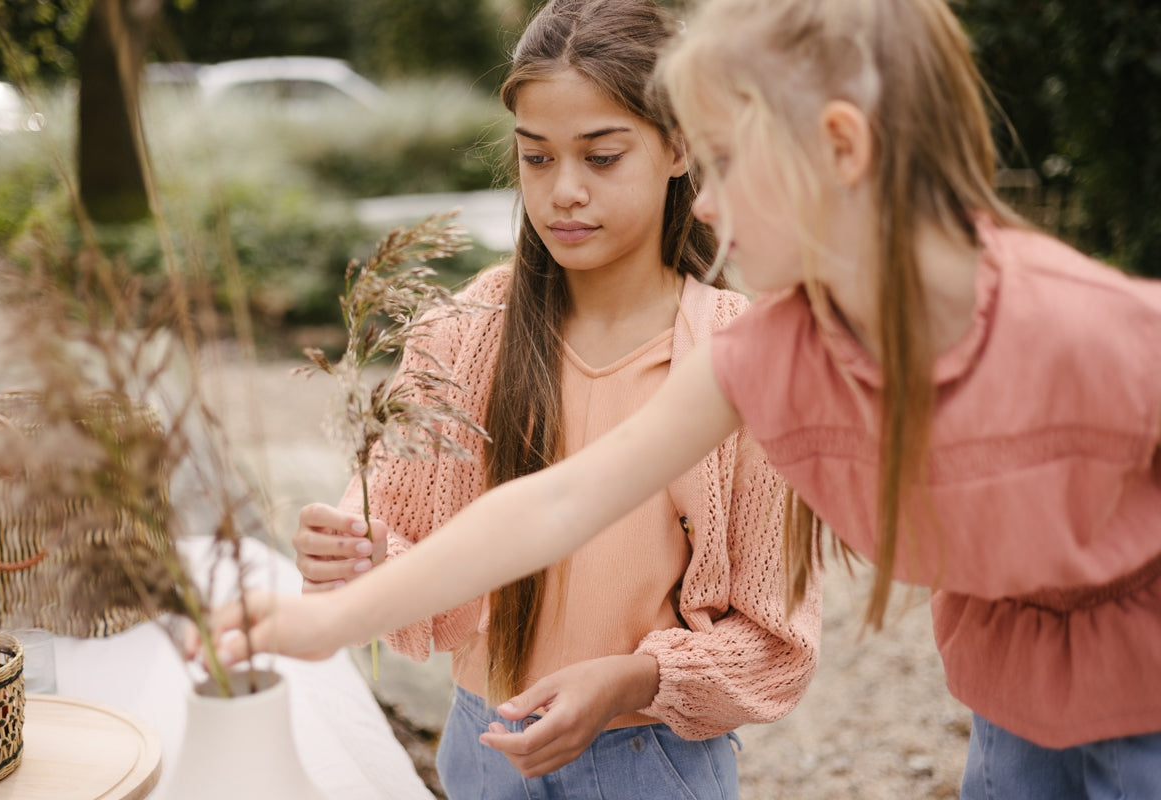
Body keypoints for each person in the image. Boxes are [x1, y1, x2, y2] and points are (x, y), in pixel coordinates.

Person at [208, 0, 1161, 796]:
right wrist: (326, 621)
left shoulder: (1094, 331)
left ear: (838, 148)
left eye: (727, 161)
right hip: (1015, 705)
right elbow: (562, 498)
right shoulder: (781, 349)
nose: (703, 202)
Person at [285, 1, 819, 797]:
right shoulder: (461, 332)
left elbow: (777, 642)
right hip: (482, 745)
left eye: (602, 157)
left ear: (678, 148)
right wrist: (352, 558)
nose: (564, 190)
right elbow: (392, 533)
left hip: (652, 760)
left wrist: (631, 679)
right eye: (537, 159)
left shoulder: (744, 358)